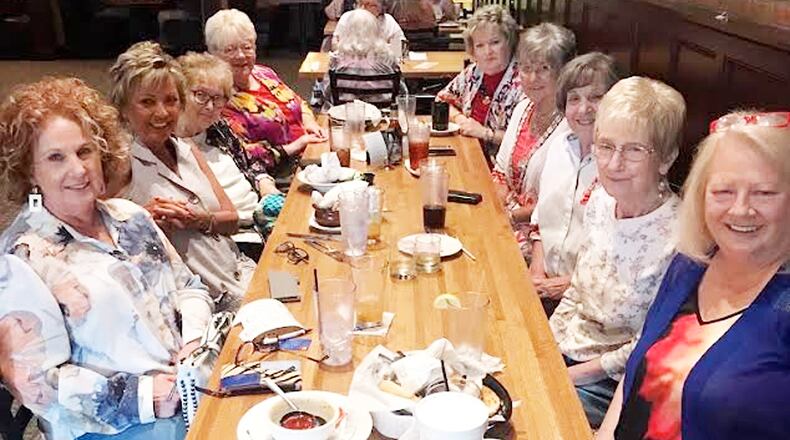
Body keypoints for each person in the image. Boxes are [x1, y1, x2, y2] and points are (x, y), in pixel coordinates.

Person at [0, 77, 213, 439]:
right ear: (30, 172)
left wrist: (193, 339)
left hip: (193, 390)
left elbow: (190, 287)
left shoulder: (131, 217)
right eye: (56, 157)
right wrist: (146, 398)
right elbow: (34, 383)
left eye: (85, 151)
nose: (79, 169)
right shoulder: (21, 257)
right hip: (119, 426)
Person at [597, 110, 790, 440]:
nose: (741, 209)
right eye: (723, 192)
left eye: (764, 193)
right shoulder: (689, 265)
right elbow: (634, 382)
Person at [548, 76, 686, 428]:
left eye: (635, 149)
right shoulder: (600, 201)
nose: (613, 164)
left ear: (667, 158)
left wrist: (569, 376)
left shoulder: (682, 239)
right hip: (567, 350)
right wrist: (543, 344)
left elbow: (646, 346)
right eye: (605, 146)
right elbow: (577, 290)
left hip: (612, 383)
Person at [109, 41, 255, 312]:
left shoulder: (188, 149)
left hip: (241, 269)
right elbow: (97, 240)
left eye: (171, 100)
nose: (162, 113)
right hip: (208, 303)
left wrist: (198, 219)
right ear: (124, 108)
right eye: (147, 102)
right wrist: (141, 219)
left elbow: (232, 219)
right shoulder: (120, 163)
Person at [528, 52, 619, 311]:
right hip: (544, 286)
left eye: (595, 98)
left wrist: (566, 285)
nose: (583, 109)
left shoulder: (619, 166)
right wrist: (536, 271)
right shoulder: (559, 146)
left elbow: (618, 260)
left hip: (589, 302)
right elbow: (540, 220)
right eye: (574, 99)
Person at [205, 9, 325, 180]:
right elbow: (243, 154)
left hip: (311, 154)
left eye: (247, 47)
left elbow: (298, 101)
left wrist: (310, 122)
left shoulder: (263, 73)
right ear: (214, 55)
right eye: (230, 50)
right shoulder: (220, 99)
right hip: (283, 174)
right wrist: (297, 145)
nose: (241, 55)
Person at [175, 51, 284, 236]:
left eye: (218, 98)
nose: (210, 106)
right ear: (180, 94)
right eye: (201, 95)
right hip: (235, 235)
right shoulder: (173, 147)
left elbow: (250, 162)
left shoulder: (218, 129)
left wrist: (267, 188)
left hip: (263, 218)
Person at [491, 23, 576, 256]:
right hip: (506, 219)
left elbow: (558, 205)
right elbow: (499, 170)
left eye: (543, 69)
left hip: (541, 239)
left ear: (563, 71)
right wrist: (496, 209)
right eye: (525, 68)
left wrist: (508, 216)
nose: (531, 78)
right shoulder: (523, 108)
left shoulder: (572, 127)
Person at [436, 5, 525, 158]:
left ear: (509, 42)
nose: (487, 51)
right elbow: (442, 101)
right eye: (480, 45)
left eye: (495, 42)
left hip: (499, 166)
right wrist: (461, 119)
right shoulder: (474, 71)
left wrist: (485, 133)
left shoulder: (524, 82)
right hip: (468, 154)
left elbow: (525, 142)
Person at [316, 9, 406, 110]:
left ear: (347, 31)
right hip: (382, 117)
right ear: (376, 31)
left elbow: (328, 92)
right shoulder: (389, 58)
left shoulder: (337, 59)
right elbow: (401, 91)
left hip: (344, 116)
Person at [332, 0, 405, 58]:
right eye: (360, 4)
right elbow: (336, 45)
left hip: (381, 69)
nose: (363, 8)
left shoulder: (388, 21)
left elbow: (399, 49)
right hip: (350, 67)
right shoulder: (347, 17)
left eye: (370, 5)